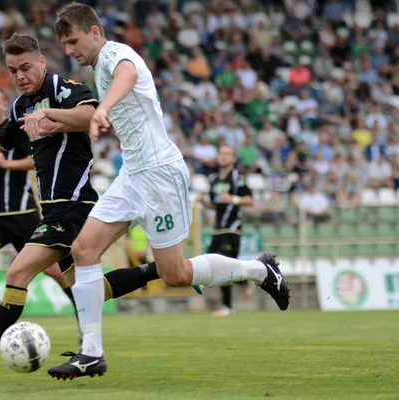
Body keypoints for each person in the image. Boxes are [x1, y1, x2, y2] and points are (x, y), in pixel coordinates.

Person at [47, 3, 290, 379]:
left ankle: (259, 271)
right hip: (133, 175)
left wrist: (103, 108)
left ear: (94, 32)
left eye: (73, 40)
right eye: (64, 44)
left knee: (175, 273)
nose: (69, 50)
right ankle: (91, 352)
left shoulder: (114, 54)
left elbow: (127, 75)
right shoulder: (101, 64)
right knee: (83, 250)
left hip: (159, 174)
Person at [0, 33, 163, 380]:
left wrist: (47, 115)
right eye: (13, 70)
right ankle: (158, 270)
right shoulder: (20, 106)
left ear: (41, 62)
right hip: (56, 210)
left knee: (17, 273)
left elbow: (90, 116)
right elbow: (2, 138)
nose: (21, 76)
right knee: (90, 289)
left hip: (73, 206)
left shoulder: (65, 89)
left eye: (26, 67)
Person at [0, 84, 79, 339]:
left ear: (3, 105)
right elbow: (1, 171)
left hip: (22, 212)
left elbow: (35, 160)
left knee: (51, 269)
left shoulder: (14, 130)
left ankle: (81, 308)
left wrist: (6, 163)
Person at [197, 145, 255, 317]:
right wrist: (204, 202)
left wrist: (233, 199)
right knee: (212, 267)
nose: (223, 157)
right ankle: (246, 281)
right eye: (221, 154)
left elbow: (250, 200)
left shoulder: (238, 177)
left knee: (224, 267)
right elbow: (215, 204)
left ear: (233, 158)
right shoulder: (214, 179)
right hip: (217, 230)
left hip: (232, 229)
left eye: (227, 154)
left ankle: (227, 306)